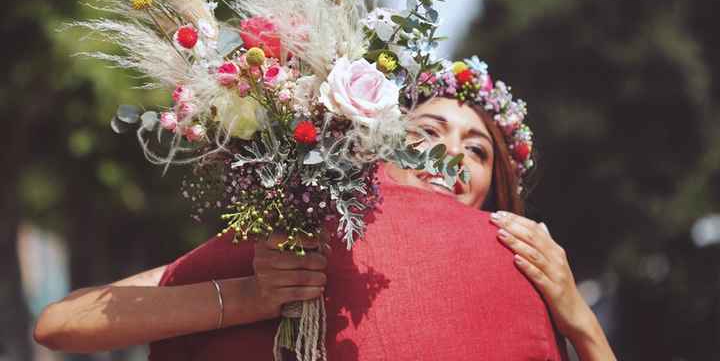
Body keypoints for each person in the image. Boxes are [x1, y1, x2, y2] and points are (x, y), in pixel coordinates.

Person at [33, 58, 614, 360]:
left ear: (494, 186)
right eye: (428, 132)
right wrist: (251, 297)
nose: (449, 155)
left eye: (477, 150)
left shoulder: (527, 265)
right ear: (375, 150)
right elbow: (62, 322)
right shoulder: (303, 232)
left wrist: (576, 315)